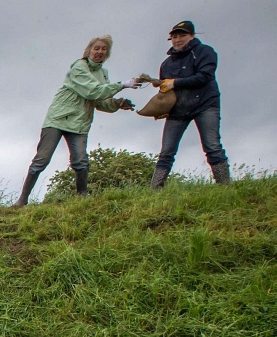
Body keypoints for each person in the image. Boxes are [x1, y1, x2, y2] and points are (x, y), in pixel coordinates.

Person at [13, 36, 136, 206]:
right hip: (58, 119)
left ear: (108, 53)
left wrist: (117, 103)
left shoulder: (103, 74)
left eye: (104, 49)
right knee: (42, 159)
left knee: (80, 161)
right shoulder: (79, 67)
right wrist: (121, 85)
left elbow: (100, 101)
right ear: (89, 50)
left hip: (79, 122)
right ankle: (22, 200)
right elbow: (92, 91)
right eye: (97, 48)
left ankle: (81, 198)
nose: (100, 52)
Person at [151, 20, 229, 189]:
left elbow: (205, 76)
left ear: (192, 36)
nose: (178, 40)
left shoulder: (204, 52)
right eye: (174, 37)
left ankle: (225, 186)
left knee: (212, 146)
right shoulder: (166, 63)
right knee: (166, 151)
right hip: (178, 110)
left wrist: (175, 83)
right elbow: (168, 88)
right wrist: (162, 100)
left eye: (182, 35)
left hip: (205, 104)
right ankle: (154, 190)